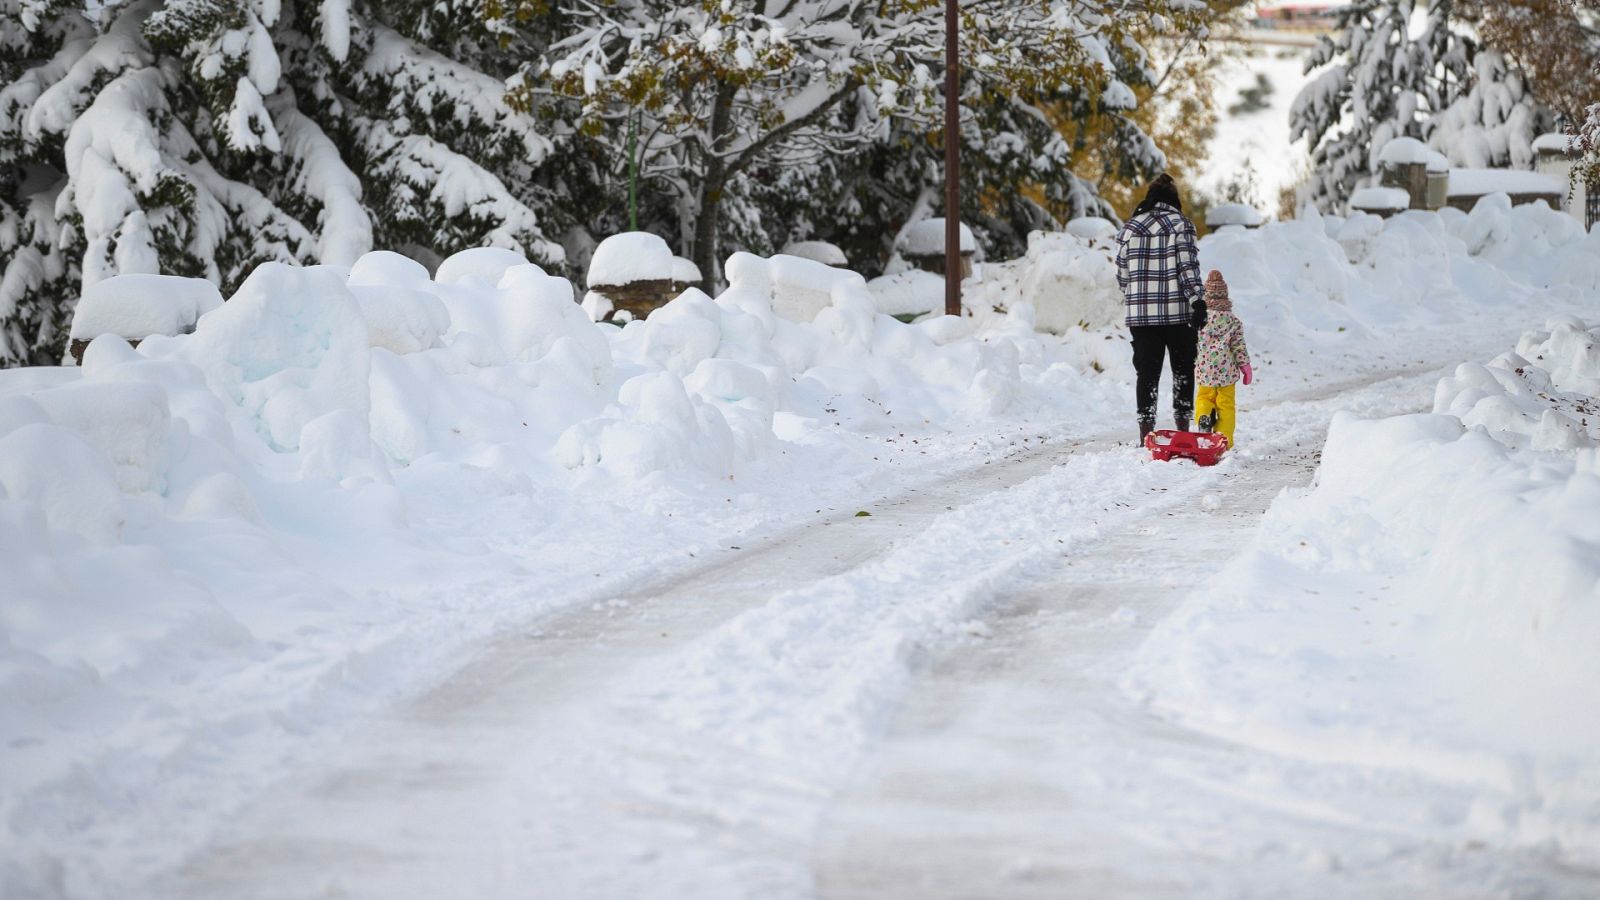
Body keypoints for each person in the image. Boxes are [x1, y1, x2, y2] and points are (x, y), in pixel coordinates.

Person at [1114, 173, 1208, 443]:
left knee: (1147, 373)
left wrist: (1136, 296)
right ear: (1173, 200)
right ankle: (1183, 429)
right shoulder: (1181, 224)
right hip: (1178, 315)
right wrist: (1197, 300)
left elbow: (1122, 275)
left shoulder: (1129, 229)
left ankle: (1146, 433)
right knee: (1182, 370)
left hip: (1141, 317)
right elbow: (1187, 267)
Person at [1194, 269, 1252, 447]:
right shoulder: (1233, 321)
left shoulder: (1199, 319)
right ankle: (1224, 441)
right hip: (1226, 371)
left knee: (1204, 397)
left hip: (1205, 370)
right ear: (1225, 296)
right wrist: (1245, 366)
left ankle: (1204, 415)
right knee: (1226, 405)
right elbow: (1238, 346)